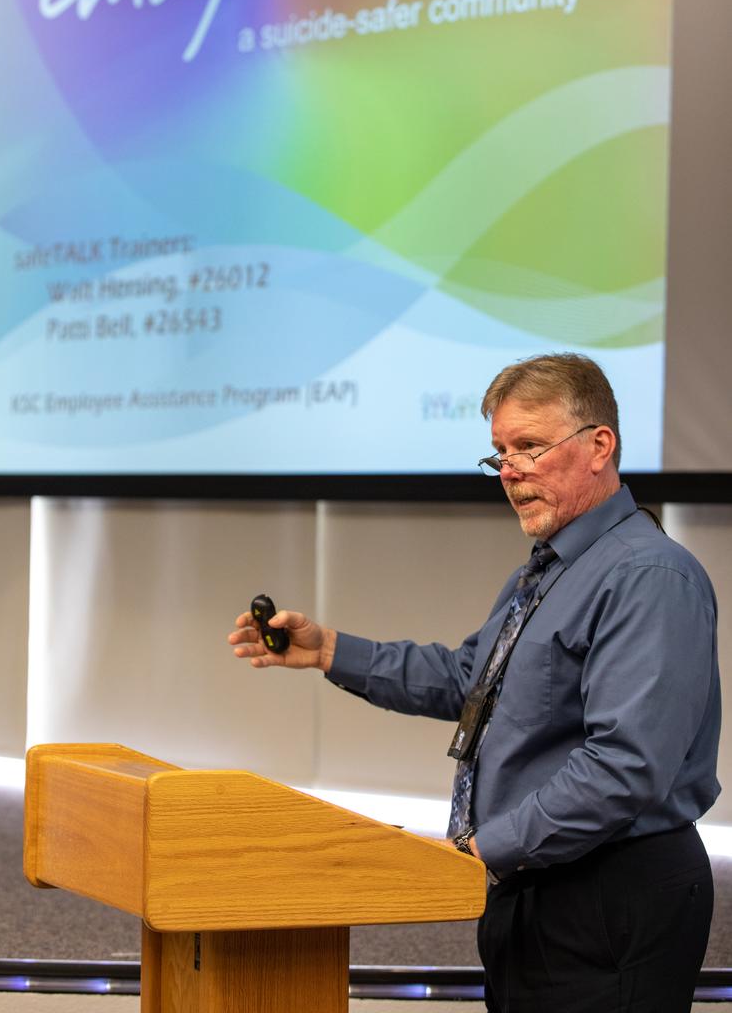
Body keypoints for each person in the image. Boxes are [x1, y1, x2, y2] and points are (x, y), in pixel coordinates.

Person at [229, 353, 721, 1013]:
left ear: (599, 445)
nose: (510, 471)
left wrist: (479, 849)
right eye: (499, 454)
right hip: (534, 879)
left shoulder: (648, 577)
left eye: (528, 447)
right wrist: (329, 651)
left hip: (609, 896)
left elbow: (624, 767)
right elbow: (472, 682)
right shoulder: (546, 571)